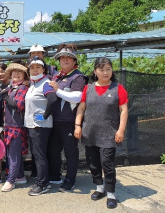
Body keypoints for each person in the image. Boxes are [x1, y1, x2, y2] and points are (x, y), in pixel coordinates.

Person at [74, 57, 128, 209]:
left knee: (107, 163)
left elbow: (123, 110)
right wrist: (77, 125)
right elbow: (81, 108)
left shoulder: (118, 88)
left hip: (109, 133)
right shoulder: (88, 88)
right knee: (93, 162)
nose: (105, 72)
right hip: (89, 132)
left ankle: (111, 193)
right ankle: (99, 187)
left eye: (108, 69)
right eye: (102, 70)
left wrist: (121, 130)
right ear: (95, 71)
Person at [47, 43, 87, 191]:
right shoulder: (56, 76)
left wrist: (57, 91)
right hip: (54, 121)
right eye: (62, 58)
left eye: (68, 58)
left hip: (69, 122)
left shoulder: (78, 77)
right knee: (53, 150)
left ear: (74, 61)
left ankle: (70, 179)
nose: (65, 60)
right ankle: (56, 176)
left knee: (70, 152)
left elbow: (77, 97)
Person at [24, 56, 58, 196]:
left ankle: (42, 184)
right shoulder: (34, 83)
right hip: (33, 125)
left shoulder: (45, 83)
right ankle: (44, 181)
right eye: (32, 67)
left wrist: (44, 115)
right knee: (39, 154)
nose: (35, 69)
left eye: (38, 67)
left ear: (43, 69)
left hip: (40, 126)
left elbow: (52, 99)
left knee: (39, 155)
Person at [0, 63, 29, 192]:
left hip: (16, 126)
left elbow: (19, 105)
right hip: (9, 125)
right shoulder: (11, 88)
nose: (16, 74)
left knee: (13, 155)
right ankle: (20, 176)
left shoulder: (22, 88)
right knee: (13, 153)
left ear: (24, 75)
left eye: (19, 72)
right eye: (14, 72)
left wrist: (5, 96)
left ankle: (10, 181)